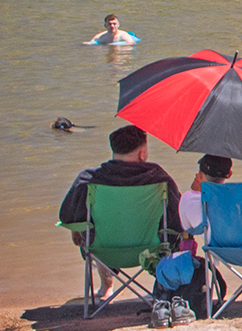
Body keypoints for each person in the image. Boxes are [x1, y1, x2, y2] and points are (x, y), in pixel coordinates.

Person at [58, 124, 181, 304]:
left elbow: (66, 216)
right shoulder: (159, 178)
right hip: (150, 248)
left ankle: (106, 287)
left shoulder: (88, 179)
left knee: (91, 230)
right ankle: (162, 289)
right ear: (142, 153)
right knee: (171, 232)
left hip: (103, 251)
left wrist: (75, 230)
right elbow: (176, 219)